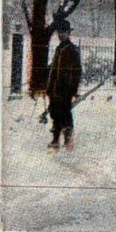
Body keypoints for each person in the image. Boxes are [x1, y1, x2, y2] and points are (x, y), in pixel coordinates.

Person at [46, 18, 81, 151]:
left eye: (63, 32)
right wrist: (49, 86)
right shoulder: (59, 49)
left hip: (66, 88)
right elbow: (54, 69)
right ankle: (55, 139)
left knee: (65, 113)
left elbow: (77, 72)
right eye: (59, 32)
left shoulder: (72, 50)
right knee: (55, 112)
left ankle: (68, 141)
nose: (61, 35)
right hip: (55, 88)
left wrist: (73, 89)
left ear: (68, 33)